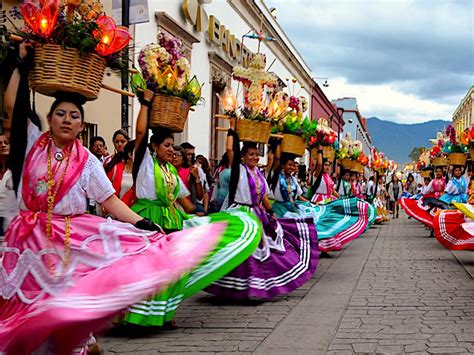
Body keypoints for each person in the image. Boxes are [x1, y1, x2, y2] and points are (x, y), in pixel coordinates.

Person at [1, 57, 231, 353]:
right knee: (24, 307)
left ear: (81, 124)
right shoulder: (34, 142)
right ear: (50, 118)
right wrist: (19, 66)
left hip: (66, 242)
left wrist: (140, 222)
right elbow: (13, 108)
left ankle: (79, 346)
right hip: (27, 241)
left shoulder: (87, 162)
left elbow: (109, 200)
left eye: (74, 115)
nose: (67, 120)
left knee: (62, 308)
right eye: (61, 114)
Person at [122, 90, 261, 327]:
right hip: (147, 218)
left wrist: (205, 217)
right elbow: (140, 133)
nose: (170, 150)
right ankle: (135, 316)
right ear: (153, 146)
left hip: (172, 220)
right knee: (147, 269)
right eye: (166, 145)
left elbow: (185, 202)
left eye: (171, 146)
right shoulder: (145, 162)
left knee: (173, 269)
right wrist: (145, 102)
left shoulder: (171, 171)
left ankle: (163, 314)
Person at [206, 120, 319, 300]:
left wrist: (271, 212)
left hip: (256, 214)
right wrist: (232, 130)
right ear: (242, 156)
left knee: (264, 250)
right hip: (240, 213)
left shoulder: (258, 173)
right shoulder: (238, 170)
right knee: (242, 249)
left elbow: (264, 196)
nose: (255, 158)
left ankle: (256, 286)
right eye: (250, 154)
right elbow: (230, 150)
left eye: (257, 154)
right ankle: (236, 288)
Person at [270, 153, 372, 253]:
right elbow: (318, 164)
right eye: (290, 165)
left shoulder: (293, 179)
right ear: (283, 165)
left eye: (293, 165)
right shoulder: (280, 176)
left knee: (324, 220)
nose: (292, 167)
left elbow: (299, 196)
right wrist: (319, 150)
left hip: (312, 202)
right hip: (286, 207)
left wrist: (310, 203)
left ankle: (324, 243)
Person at [180, 142, 209, 215]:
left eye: (192, 155)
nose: (190, 157)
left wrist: (205, 210)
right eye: (188, 154)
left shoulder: (196, 169)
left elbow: (204, 193)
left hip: (194, 204)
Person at [105, 140, 136, 207]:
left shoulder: (143, 173)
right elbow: (104, 193)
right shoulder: (115, 169)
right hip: (116, 212)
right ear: (130, 154)